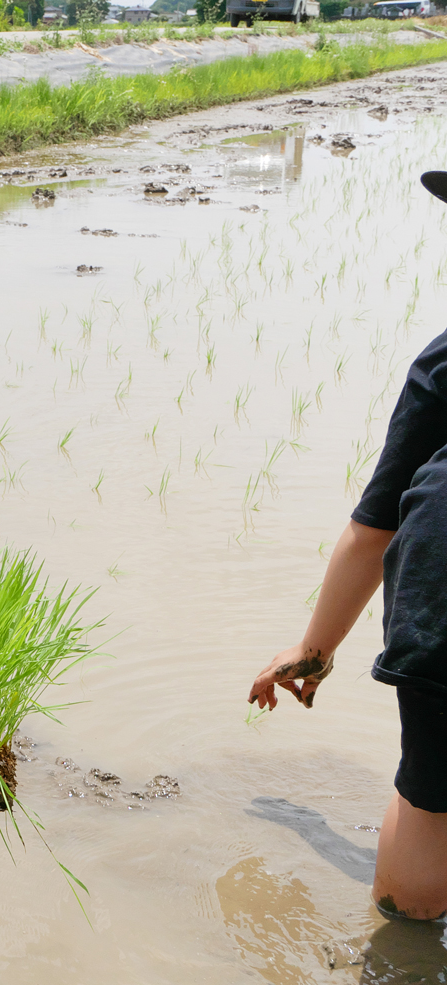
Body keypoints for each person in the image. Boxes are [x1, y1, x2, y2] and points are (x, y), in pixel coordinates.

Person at [248, 170, 447, 926]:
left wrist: (314, 649)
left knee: (429, 812)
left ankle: (404, 952)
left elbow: (374, 530)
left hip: (443, 610)